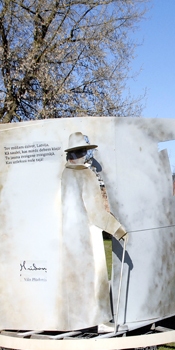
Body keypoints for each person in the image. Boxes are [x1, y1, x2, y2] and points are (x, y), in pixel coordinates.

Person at [59, 132, 126, 329]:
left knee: (73, 281)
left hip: (66, 237)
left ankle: (75, 322)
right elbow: (96, 213)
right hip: (84, 237)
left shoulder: (63, 174)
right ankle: (98, 321)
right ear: (82, 153)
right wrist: (119, 230)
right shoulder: (85, 174)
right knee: (93, 280)